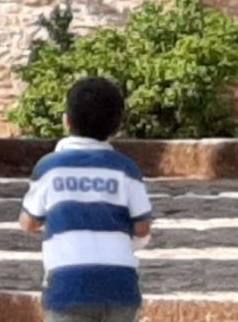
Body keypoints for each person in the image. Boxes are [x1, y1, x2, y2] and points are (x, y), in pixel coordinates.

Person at [21, 76, 155, 322]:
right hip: (120, 288)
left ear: (67, 121)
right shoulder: (127, 169)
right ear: (117, 126)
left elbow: (28, 223)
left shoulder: (50, 168)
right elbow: (143, 226)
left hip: (67, 289)